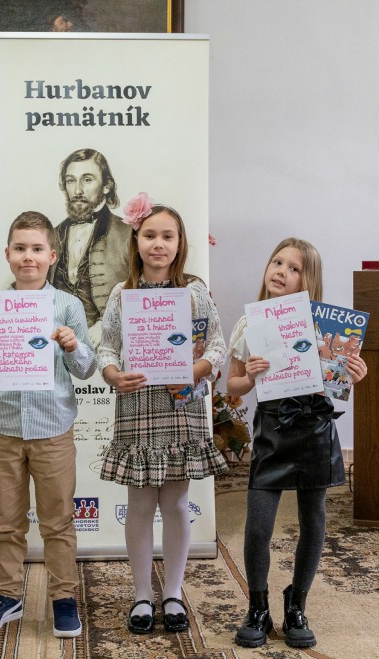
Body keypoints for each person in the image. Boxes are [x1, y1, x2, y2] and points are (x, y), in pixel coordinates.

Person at [0, 211, 96, 638]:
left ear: (52, 255)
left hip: (52, 429)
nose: (28, 257)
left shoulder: (68, 306)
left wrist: (73, 347)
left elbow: (87, 369)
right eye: (20, 249)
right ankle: (7, 595)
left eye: (37, 249)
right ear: (8, 254)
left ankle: (63, 597)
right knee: (7, 521)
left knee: (58, 521)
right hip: (2, 429)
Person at [96, 193, 228, 634]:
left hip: (180, 407)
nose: (158, 244)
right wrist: (113, 374)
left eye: (167, 236)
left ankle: (172, 592)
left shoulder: (194, 293)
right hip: (136, 405)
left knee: (175, 503)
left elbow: (216, 346)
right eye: (150, 235)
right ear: (136, 241)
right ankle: (141, 595)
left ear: (180, 243)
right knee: (138, 505)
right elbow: (107, 347)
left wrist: (194, 371)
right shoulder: (122, 294)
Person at [226, 238, 368, 649]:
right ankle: (257, 607)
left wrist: (354, 373)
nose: (281, 272)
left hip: (315, 429)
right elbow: (233, 385)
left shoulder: (328, 329)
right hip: (272, 431)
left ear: (309, 281)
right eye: (277, 262)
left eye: (293, 268)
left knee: (314, 521)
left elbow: (339, 380)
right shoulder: (249, 324)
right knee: (258, 526)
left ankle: (297, 604)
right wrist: (249, 376)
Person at [48, 148, 132, 337]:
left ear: (106, 186)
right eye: (71, 181)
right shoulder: (52, 235)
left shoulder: (128, 233)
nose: (77, 190)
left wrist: (104, 326)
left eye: (87, 180)